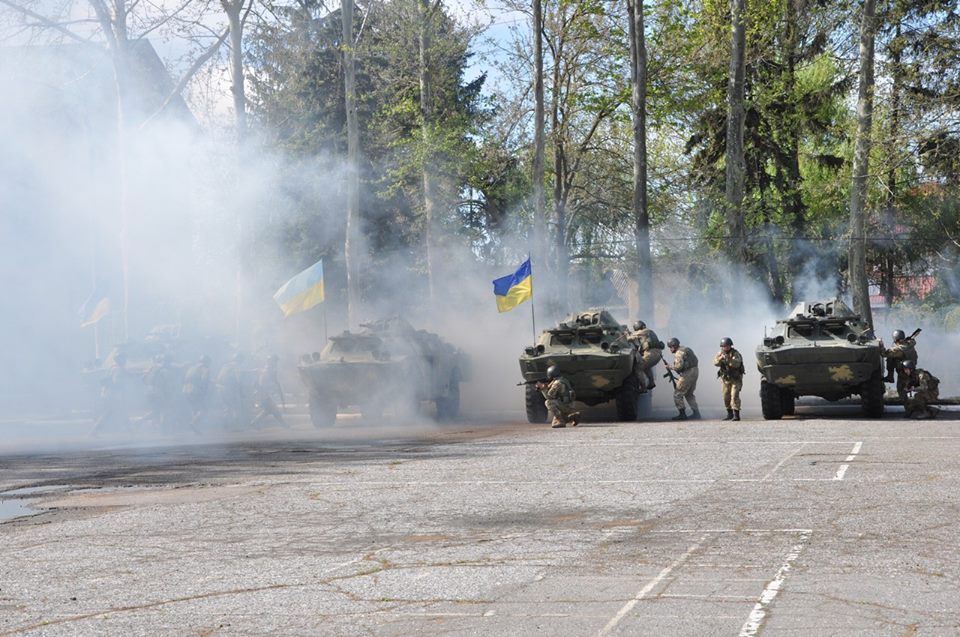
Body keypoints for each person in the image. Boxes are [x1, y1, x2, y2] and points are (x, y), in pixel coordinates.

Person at [91, 351, 131, 436]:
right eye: (124, 359)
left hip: (109, 394)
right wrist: (123, 390)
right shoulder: (118, 369)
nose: (125, 361)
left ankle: (131, 431)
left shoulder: (113, 367)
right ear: (121, 360)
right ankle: (94, 431)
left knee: (111, 413)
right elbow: (116, 382)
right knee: (113, 413)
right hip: (112, 395)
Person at [664, 337, 700, 420]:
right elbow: (696, 360)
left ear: (673, 346)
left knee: (678, 394)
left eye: (670, 347)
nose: (670, 349)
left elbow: (678, 367)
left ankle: (682, 414)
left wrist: (670, 367)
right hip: (695, 371)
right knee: (689, 394)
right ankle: (696, 413)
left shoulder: (679, 353)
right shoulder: (686, 349)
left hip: (687, 373)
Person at [251, 354, 289, 429]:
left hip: (265, 393)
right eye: (275, 361)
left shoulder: (267, 370)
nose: (276, 363)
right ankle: (284, 424)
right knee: (274, 410)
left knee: (268, 410)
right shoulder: (270, 370)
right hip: (264, 394)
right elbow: (272, 382)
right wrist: (277, 388)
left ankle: (255, 422)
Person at [627, 320, 664, 393]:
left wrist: (626, 334)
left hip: (651, 353)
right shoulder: (649, 331)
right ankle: (651, 383)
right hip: (658, 354)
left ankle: (643, 388)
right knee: (646, 366)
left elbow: (629, 339)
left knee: (638, 368)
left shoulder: (642, 332)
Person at [882, 329, 918, 403]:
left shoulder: (899, 349)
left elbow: (884, 354)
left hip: (903, 371)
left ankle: (890, 376)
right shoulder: (909, 343)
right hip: (911, 368)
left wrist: (880, 345)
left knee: (901, 389)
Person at [713, 337, 744, 421]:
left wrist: (728, 359)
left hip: (735, 378)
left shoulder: (735, 353)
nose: (726, 347)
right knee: (726, 396)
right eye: (724, 346)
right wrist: (720, 358)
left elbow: (737, 364)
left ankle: (736, 415)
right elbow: (715, 363)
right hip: (725, 378)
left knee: (734, 395)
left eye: (727, 346)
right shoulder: (720, 353)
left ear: (730, 346)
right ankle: (729, 414)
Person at [216, 353, 248, 429]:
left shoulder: (225, 365)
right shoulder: (236, 366)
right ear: (240, 359)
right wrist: (241, 391)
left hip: (219, 387)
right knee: (235, 407)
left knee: (227, 407)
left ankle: (224, 425)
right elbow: (238, 380)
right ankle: (235, 426)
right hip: (228, 388)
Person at [183, 355, 213, 432]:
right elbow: (204, 380)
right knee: (204, 409)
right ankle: (193, 423)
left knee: (195, 409)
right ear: (207, 362)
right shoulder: (205, 369)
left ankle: (196, 427)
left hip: (185, 389)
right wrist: (205, 391)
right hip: (195, 390)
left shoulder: (192, 367)